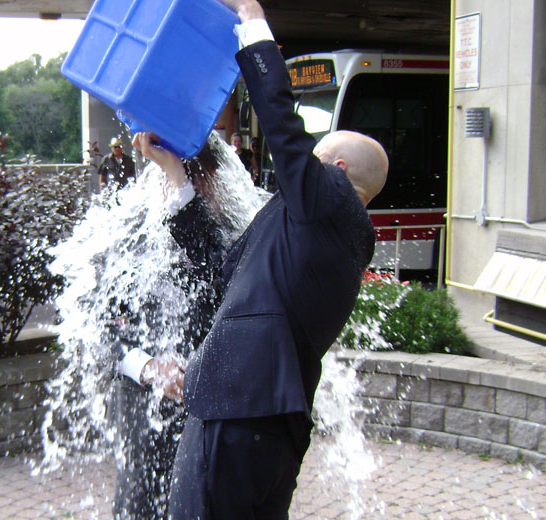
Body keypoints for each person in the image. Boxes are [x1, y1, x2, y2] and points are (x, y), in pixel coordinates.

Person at [135, 0, 390, 517]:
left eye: (315, 159)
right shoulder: (319, 238)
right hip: (264, 424)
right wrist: (177, 179)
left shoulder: (331, 202)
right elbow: (226, 272)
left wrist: (252, 18)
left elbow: (281, 126)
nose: (303, 167)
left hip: (238, 414)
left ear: (337, 169)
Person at [108, 136, 239, 520]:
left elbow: (210, 268)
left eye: (197, 179)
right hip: (143, 418)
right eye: (184, 179)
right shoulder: (128, 238)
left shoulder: (230, 236)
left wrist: (179, 184)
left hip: (207, 422)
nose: (197, 190)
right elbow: (102, 333)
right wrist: (148, 366)